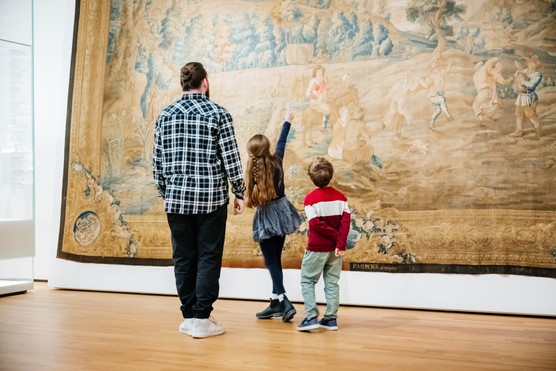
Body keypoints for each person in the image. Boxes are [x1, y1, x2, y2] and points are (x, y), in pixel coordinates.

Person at [152, 62, 246, 339]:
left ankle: (190, 317)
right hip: (211, 200)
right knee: (208, 257)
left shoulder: (165, 115)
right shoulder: (218, 114)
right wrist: (239, 191)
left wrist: (164, 192)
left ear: (184, 84)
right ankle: (202, 319)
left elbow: (157, 162)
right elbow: (231, 158)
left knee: (183, 258)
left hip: (176, 200)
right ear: (204, 82)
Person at [245, 108, 301, 322]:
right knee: (275, 259)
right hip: (283, 211)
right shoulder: (277, 161)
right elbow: (282, 142)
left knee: (271, 262)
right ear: (268, 149)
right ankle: (275, 303)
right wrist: (287, 121)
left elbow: (251, 197)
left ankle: (284, 301)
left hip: (267, 218)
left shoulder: (252, 170)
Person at [297, 157, 351, 331]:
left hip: (316, 248)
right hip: (336, 250)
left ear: (311, 178)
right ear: (331, 175)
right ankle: (330, 319)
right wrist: (340, 242)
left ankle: (312, 316)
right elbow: (346, 222)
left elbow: (315, 224)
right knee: (332, 282)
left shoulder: (310, 199)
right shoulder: (341, 198)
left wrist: (335, 237)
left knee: (307, 280)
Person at [509, 55, 543, 138]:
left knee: (529, 114)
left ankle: (538, 129)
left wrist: (522, 80)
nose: (531, 65)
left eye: (534, 64)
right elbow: (518, 78)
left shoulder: (537, 75)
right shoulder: (525, 71)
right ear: (527, 64)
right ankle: (518, 131)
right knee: (518, 114)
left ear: (537, 65)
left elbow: (531, 85)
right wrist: (517, 75)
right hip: (521, 96)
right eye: (530, 63)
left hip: (528, 97)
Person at [472, 57, 513, 123]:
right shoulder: (478, 74)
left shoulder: (488, 71)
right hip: (486, 91)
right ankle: (484, 118)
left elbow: (501, 80)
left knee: (476, 105)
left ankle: (481, 119)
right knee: (486, 105)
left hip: (485, 91)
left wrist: (508, 80)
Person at [306, 64, 331, 133]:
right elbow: (307, 92)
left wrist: (327, 91)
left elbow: (325, 91)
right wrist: (313, 95)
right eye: (318, 72)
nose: (320, 73)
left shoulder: (323, 81)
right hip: (316, 102)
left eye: (321, 72)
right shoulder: (313, 81)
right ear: (316, 73)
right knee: (327, 108)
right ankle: (323, 127)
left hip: (323, 100)